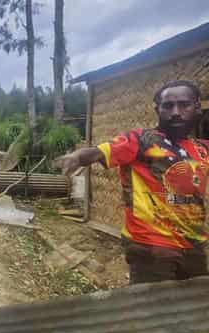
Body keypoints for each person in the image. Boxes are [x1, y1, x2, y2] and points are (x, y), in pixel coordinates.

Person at [55, 80, 208, 284]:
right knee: (151, 312)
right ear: (157, 109)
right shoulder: (140, 140)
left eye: (184, 104)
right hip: (152, 247)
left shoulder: (202, 149)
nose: (176, 112)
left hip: (194, 246)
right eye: (168, 106)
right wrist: (76, 156)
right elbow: (100, 151)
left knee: (192, 310)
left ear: (197, 107)